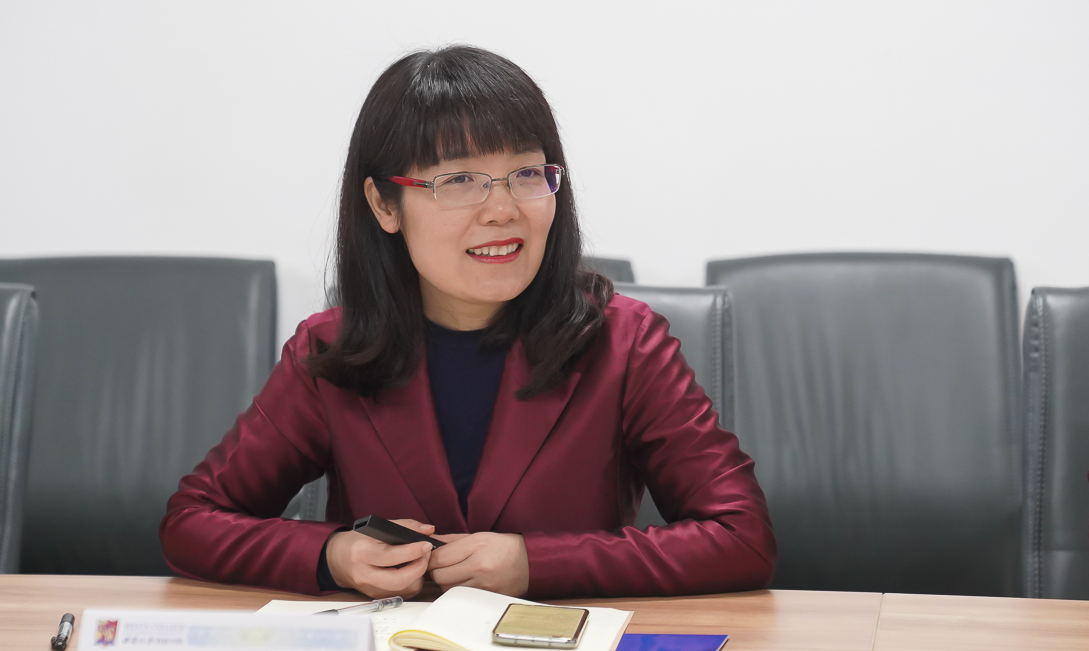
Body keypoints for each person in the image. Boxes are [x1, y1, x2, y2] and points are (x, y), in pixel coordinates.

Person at [159, 45, 775, 600]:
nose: (502, 209)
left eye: (527, 175)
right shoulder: (330, 351)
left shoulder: (624, 342)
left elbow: (742, 536)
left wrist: (538, 564)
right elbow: (192, 521)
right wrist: (332, 556)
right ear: (384, 205)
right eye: (459, 181)